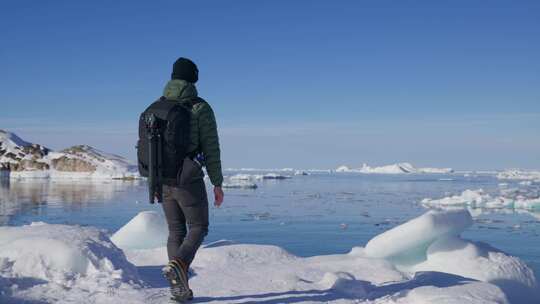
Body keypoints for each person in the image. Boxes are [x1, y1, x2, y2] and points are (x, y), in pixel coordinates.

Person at [160, 57, 224, 302]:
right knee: (198, 227)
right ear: (193, 78)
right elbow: (211, 148)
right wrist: (217, 183)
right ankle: (179, 264)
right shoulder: (200, 107)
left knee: (176, 230)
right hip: (188, 178)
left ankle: (179, 290)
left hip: (163, 178)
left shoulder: (159, 105)